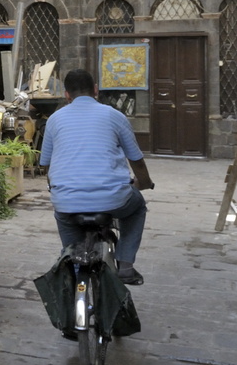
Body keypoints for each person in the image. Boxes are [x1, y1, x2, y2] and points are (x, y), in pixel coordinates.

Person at [39, 69, 154, 285]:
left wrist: (56, 188)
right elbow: (136, 160)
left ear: (66, 95)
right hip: (114, 199)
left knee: (64, 222)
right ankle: (126, 266)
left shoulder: (54, 120)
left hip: (67, 200)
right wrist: (145, 183)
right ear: (95, 90)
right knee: (137, 207)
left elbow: (45, 164)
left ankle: (70, 262)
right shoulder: (114, 116)